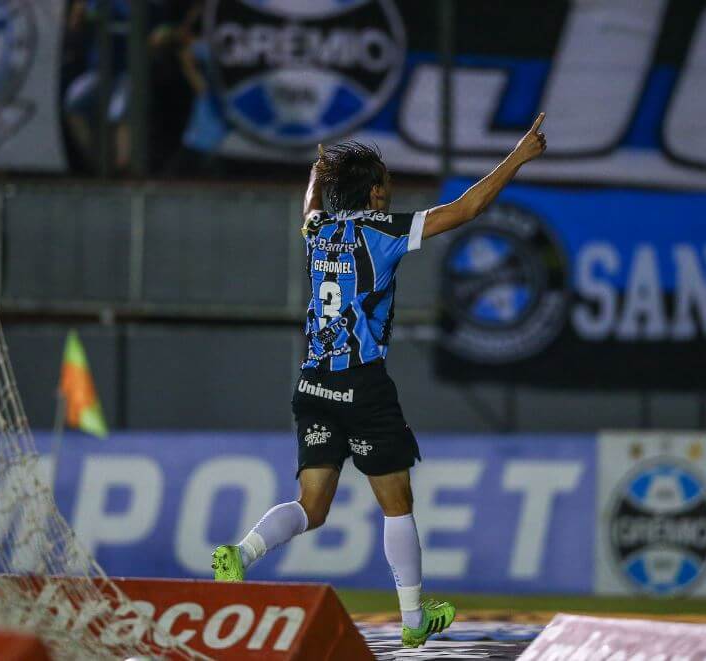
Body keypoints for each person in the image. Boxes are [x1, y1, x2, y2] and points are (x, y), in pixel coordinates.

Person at [212, 114, 548, 649]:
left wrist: (316, 171)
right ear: (372, 194)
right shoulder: (383, 233)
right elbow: (467, 209)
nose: (390, 196)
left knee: (310, 507)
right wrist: (519, 156)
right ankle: (413, 618)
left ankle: (241, 553)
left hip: (313, 385)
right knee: (398, 503)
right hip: (363, 388)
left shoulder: (317, 231)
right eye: (386, 187)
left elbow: (309, 205)